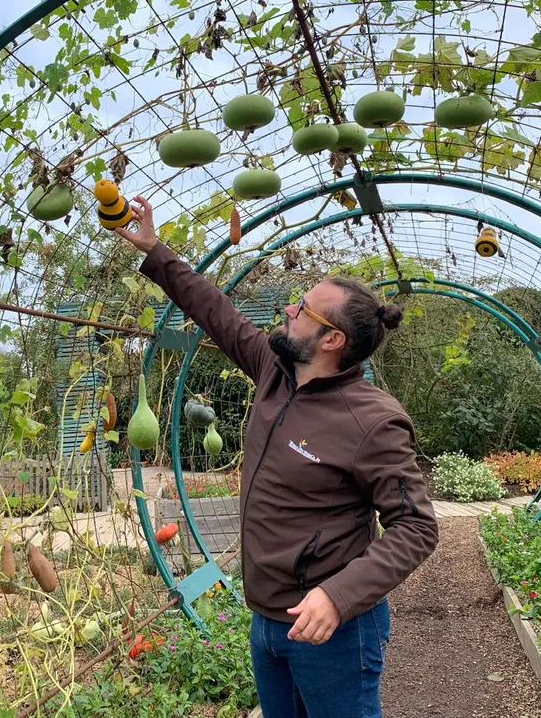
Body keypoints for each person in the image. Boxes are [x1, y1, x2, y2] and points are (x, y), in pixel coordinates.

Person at [114, 196, 439, 718]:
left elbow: (417, 527)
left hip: (332, 628)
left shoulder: (373, 421)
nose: (288, 309)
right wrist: (154, 249)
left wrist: (338, 595)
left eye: (301, 309)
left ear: (332, 339)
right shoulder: (273, 369)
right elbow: (212, 308)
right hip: (266, 618)